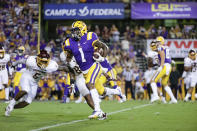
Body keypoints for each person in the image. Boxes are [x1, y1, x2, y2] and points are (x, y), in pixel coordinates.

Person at [5, 50, 58, 116]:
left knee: (28, 102)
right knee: (26, 90)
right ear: (38, 59)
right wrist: (13, 64)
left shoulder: (52, 65)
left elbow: (61, 68)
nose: (43, 63)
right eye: (42, 61)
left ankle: (10, 107)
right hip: (26, 77)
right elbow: (21, 61)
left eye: (45, 61)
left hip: (35, 83)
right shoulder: (31, 61)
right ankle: (12, 103)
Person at [150, 36, 177, 104]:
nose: (157, 43)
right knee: (164, 84)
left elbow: (162, 54)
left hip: (164, 66)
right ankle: (173, 99)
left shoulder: (160, 47)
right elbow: (160, 53)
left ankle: (156, 96)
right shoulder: (165, 47)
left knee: (152, 80)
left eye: (158, 42)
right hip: (168, 66)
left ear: (161, 42)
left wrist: (161, 65)